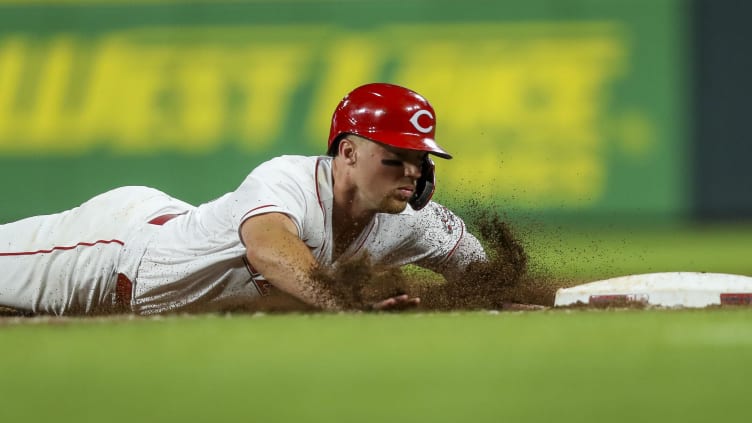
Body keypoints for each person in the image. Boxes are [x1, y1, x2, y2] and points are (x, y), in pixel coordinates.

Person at [0, 83, 487, 316]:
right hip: (108, 253)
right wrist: (348, 305)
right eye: (395, 156)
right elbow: (270, 249)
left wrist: (505, 297)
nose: (412, 171)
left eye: (421, 159)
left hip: (143, 299)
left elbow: (479, 270)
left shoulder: (409, 220)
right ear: (349, 152)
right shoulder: (287, 180)